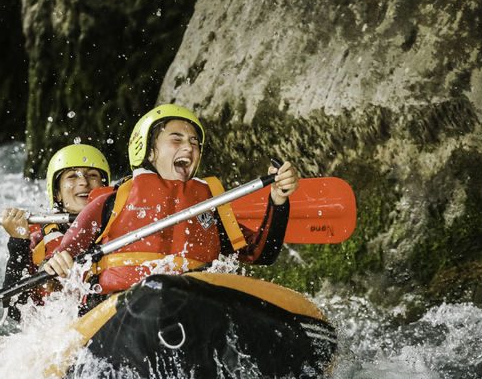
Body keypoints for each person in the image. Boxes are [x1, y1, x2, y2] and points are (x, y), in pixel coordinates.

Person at [41, 104, 299, 306]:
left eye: (195, 142)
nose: (189, 146)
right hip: (122, 307)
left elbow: (260, 253)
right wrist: (56, 262)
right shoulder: (111, 200)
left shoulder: (210, 206)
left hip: (195, 302)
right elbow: (62, 257)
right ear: (149, 152)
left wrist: (278, 200)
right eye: (177, 139)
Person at [1, 143, 111, 319]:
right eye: (72, 176)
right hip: (58, 327)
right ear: (58, 193)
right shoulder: (39, 240)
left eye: (92, 175)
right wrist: (18, 242)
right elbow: (14, 309)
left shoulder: (120, 224)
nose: (83, 182)